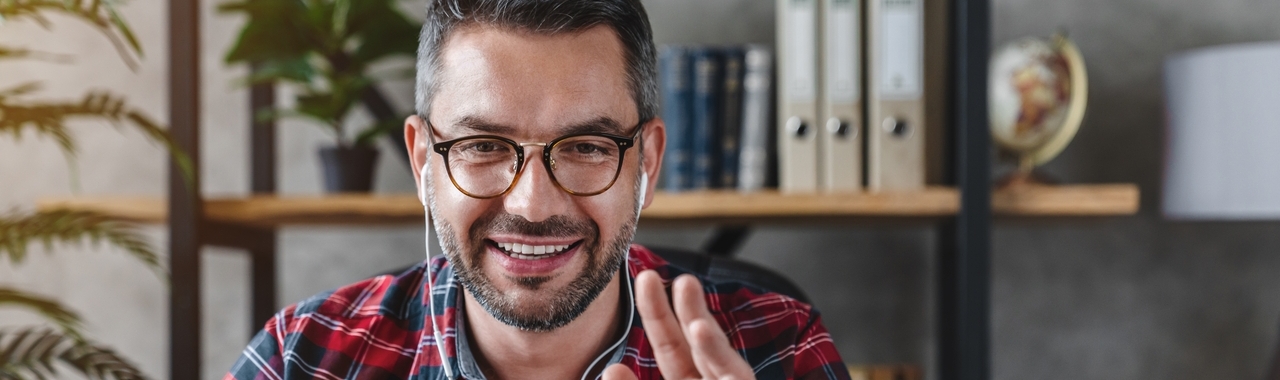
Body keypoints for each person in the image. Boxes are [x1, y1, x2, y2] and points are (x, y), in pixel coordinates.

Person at [226, 0, 849, 379]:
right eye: (483, 146)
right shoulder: (302, 358)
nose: (532, 204)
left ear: (648, 164)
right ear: (423, 162)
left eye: (585, 148)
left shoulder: (777, 350)